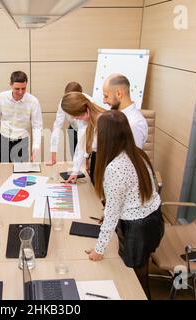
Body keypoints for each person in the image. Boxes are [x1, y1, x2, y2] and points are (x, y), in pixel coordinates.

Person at [86, 110, 163, 299]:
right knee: (140, 271)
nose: (96, 136)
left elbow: (113, 212)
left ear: (107, 137)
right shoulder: (137, 153)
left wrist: (99, 249)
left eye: (98, 133)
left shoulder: (115, 168)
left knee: (134, 282)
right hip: (154, 219)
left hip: (137, 229)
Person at [0, 71, 43, 163]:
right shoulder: (1, 97)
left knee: (22, 172)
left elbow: (37, 126)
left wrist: (36, 146)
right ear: (10, 85)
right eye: (17, 89)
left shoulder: (33, 101)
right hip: (3, 139)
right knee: (5, 171)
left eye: (23, 88)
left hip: (22, 140)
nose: (20, 92)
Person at [61, 92, 105, 184]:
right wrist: (75, 171)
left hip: (107, 163)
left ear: (86, 111)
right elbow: (81, 145)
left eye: (76, 116)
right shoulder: (86, 120)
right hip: (96, 159)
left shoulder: (104, 121)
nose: (74, 118)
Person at [47, 82, 94, 166]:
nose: (68, 102)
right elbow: (57, 126)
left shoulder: (89, 103)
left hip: (89, 131)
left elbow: (83, 134)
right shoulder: (64, 102)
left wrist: (85, 158)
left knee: (84, 163)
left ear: (79, 97)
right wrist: (53, 154)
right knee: (75, 160)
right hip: (73, 128)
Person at [102, 74, 147, 149]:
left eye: (106, 96)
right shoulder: (117, 114)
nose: (104, 101)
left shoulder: (133, 124)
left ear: (119, 94)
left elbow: (132, 159)